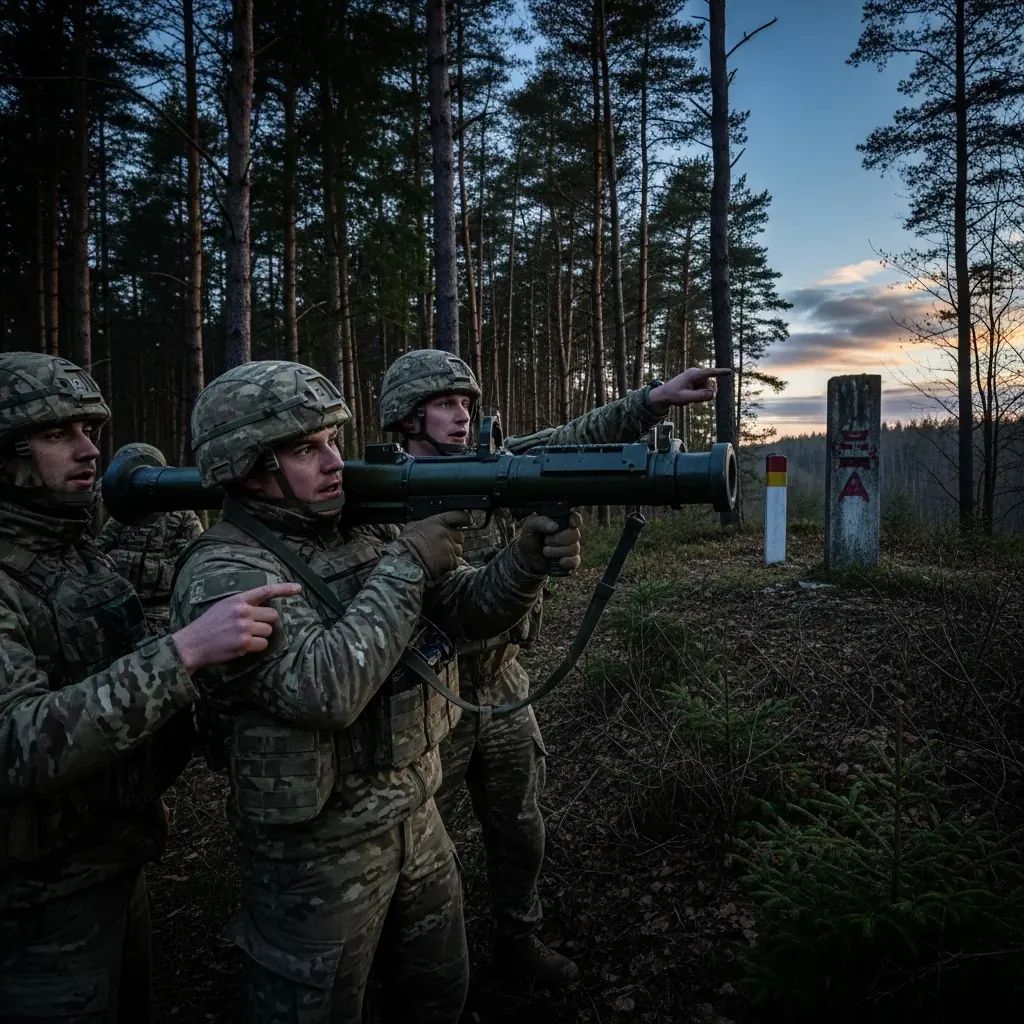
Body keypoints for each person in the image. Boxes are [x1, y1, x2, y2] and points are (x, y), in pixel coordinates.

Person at [169, 359, 582, 1024]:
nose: (334, 461)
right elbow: (327, 690)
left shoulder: (363, 528)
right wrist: (406, 565)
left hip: (414, 817)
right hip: (316, 859)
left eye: (332, 441)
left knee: (439, 994)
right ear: (246, 466)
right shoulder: (226, 570)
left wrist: (524, 564)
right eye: (306, 449)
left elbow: (461, 612)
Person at [378, 349, 730, 986]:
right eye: (444, 405)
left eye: (466, 405)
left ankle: (517, 940)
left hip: (504, 680)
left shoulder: (498, 463)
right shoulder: (383, 499)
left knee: (519, 828)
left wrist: (652, 400)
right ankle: (413, 977)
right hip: (432, 691)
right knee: (418, 849)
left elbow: (577, 437)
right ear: (405, 419)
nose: (461, 417)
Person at [0, 352, 298, 1022]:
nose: (87, 450)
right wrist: (185, 650)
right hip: (33, 900)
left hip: (110, 854)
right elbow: (13, 742)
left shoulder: (77, 556)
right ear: (5, 456)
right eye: (57, 435)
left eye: (88, 430)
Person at [98, 443, 205, 635]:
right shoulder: (119, 516)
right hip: (120, 606)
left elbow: (196, 563)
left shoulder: (182, 516)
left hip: (165, 610)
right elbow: (97, 553)